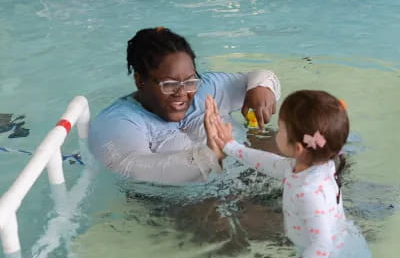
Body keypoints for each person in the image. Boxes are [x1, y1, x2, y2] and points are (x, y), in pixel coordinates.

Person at [204, 90, 371, 258]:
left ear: (299, 148)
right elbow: (267, 162)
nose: (277, 132)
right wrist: (230, 146)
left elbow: (321, 247)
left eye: (281, 129)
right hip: (342, 243)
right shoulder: (312, 165)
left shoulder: (308, 194)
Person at [88, 27, 281, 184]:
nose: (182, 93)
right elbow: (131, 168)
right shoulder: (118, 122)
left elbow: (258, 76)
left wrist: (261, 88)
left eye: (189, 82)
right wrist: (209, 155)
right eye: (169, 84)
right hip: (191, 200)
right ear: (140, 80)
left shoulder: (205, 88)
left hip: (244, 169)